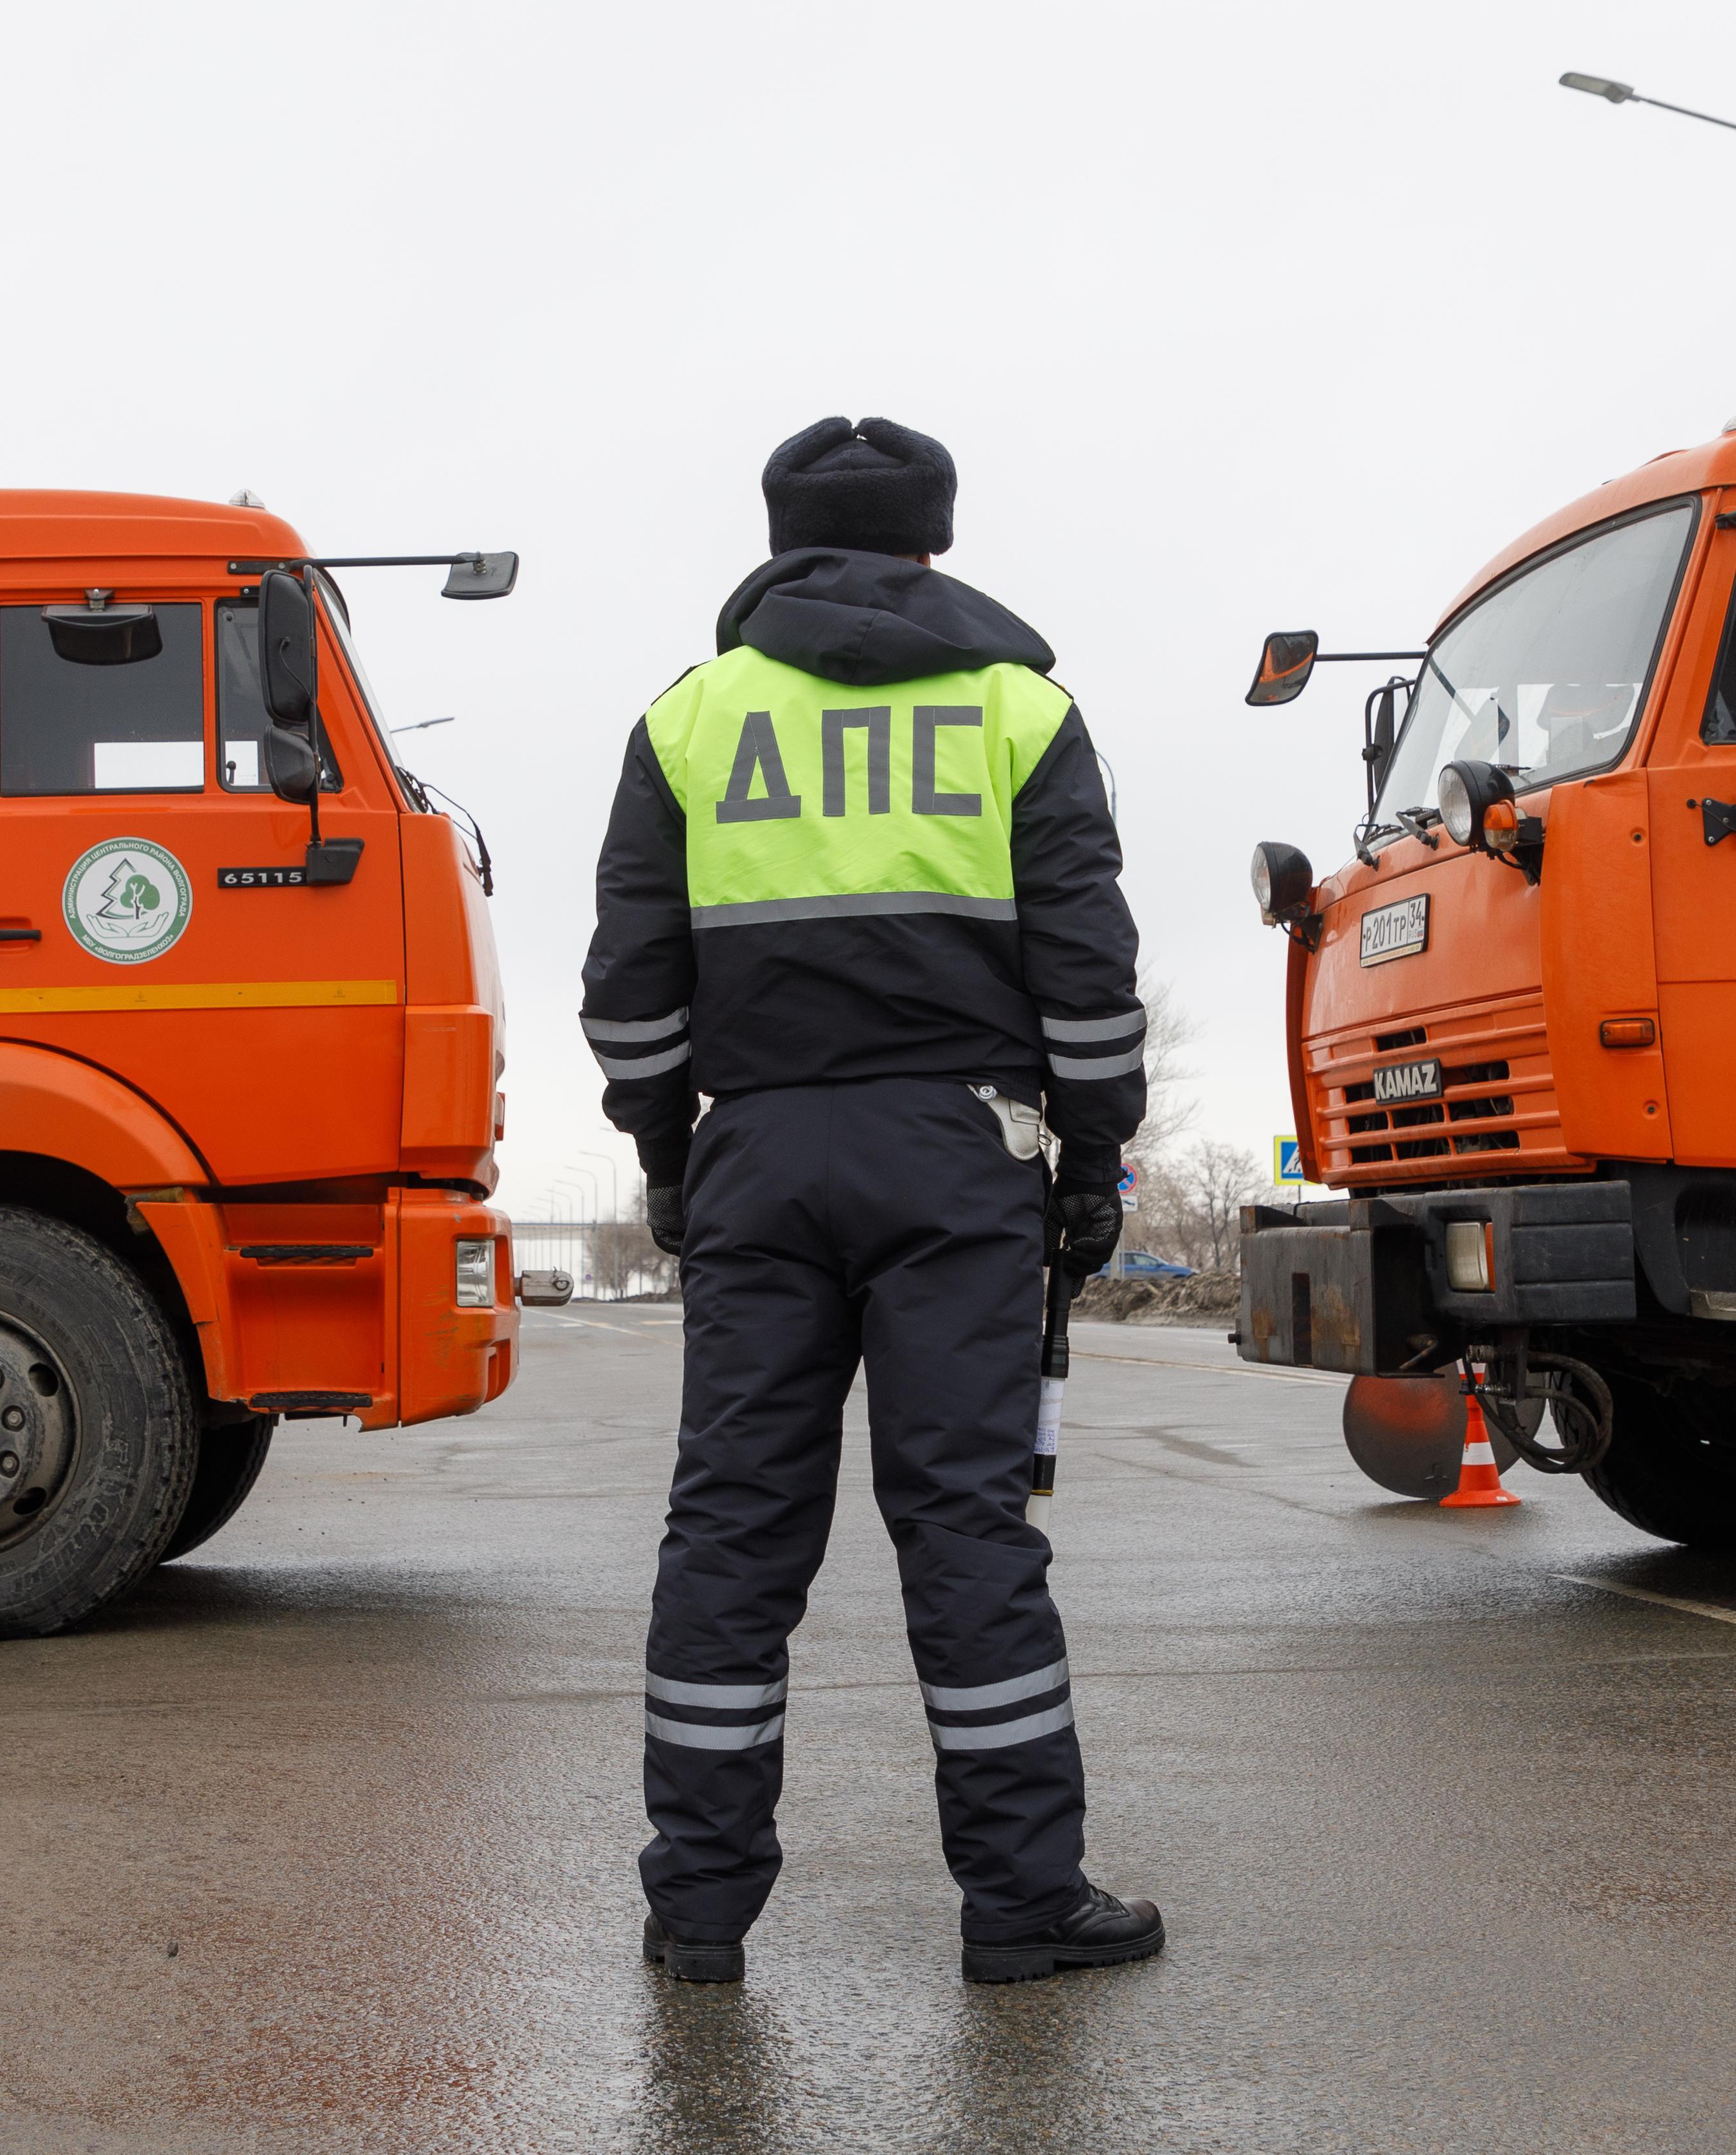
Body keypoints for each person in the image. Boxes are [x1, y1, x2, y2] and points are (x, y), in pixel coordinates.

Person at [580, 416, 1163, 1980]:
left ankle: (695, 1912)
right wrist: (1094, 1158)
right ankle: (1023, 1904)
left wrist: (666, 1151)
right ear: (935, 541)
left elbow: (630, 994)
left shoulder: (691, 718)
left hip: (759, 1155)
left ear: (778, 540)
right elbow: (1089, 981)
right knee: (965, 1529)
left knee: (730, 1536)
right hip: (958, 1156)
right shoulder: (1019, 711)